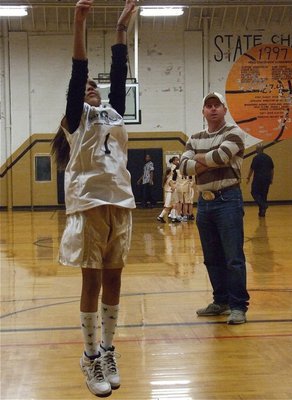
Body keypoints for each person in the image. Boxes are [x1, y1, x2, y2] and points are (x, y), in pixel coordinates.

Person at [51, 0, 136, 396]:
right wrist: (79, 22)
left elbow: (118, 74)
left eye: (94, 87)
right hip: (87, 203)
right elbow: (78, 71)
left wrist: (120, 31)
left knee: (115, 277)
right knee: (92, 282)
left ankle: (108, 349)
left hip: (120, 202)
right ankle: (88, 358)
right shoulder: (75, 117)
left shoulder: (115, 113)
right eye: (87, 87)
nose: (92, 87)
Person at [179, 92, 250, 325]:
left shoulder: (234, 133)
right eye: (208, 106)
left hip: (228, 199)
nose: (213, 109)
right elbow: (183, 167)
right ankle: (221, 301)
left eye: (217, 105)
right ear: (203, 111)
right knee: (211, 258)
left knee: (233, 258)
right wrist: (206, 160)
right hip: (205, 204)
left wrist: (198, 160)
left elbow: (221, 156)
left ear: (224, 109)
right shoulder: (194, 137)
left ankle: (238, 306)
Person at [246, 143, 274, 217]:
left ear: (258, 150)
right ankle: (262, 213)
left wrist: (248, 177)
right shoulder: (268, 157)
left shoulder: (256, 158)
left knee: (254, 192)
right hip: (267, 179)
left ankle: (263, 205)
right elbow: (272, 170)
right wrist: (271, 178)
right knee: (264, 195)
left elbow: (251, 169)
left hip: (258, 179)